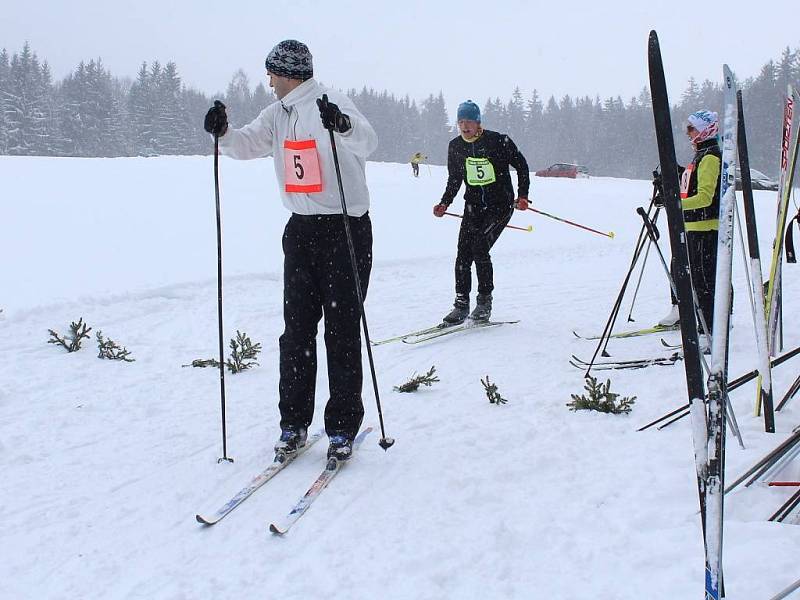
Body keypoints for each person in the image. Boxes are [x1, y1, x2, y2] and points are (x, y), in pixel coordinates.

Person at [203, 40, 378, 461]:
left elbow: (368, 141)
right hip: (300, 232)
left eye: (272, 74)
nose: (268, 81)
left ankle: (340, 428)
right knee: (296, 331)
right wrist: (222, 132)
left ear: (287, 73)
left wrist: (342, 125)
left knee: (340, 331)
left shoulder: (329, 101)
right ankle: (293, 423)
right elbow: (247, 144)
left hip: (345, 229)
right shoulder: (276, 113)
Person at [432, 100, 530, 324]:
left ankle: (485, 301)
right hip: (473, 206)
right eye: (461, 122)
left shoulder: (498, 141)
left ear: (478, 123)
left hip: (500, 206)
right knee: (462, 253)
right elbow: (455, 178)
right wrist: (444, 203)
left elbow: (521, 165)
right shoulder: (456, 146)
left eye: (469, 121)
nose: (465, 126)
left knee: (479, 246)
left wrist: (522, 195)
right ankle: (461, 304)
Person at [656, 110, 721, 343]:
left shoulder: (711, 157)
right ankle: (697, 322)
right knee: (689, 278)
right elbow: (690, 185)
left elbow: (705, 197)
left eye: (692, 129)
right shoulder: (701, 155)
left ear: (705, 129)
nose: (688, 133)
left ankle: (709, 330)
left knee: (703, 281)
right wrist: (674, 174)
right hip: (692, 226)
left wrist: (675, 204)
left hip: (705, 228)